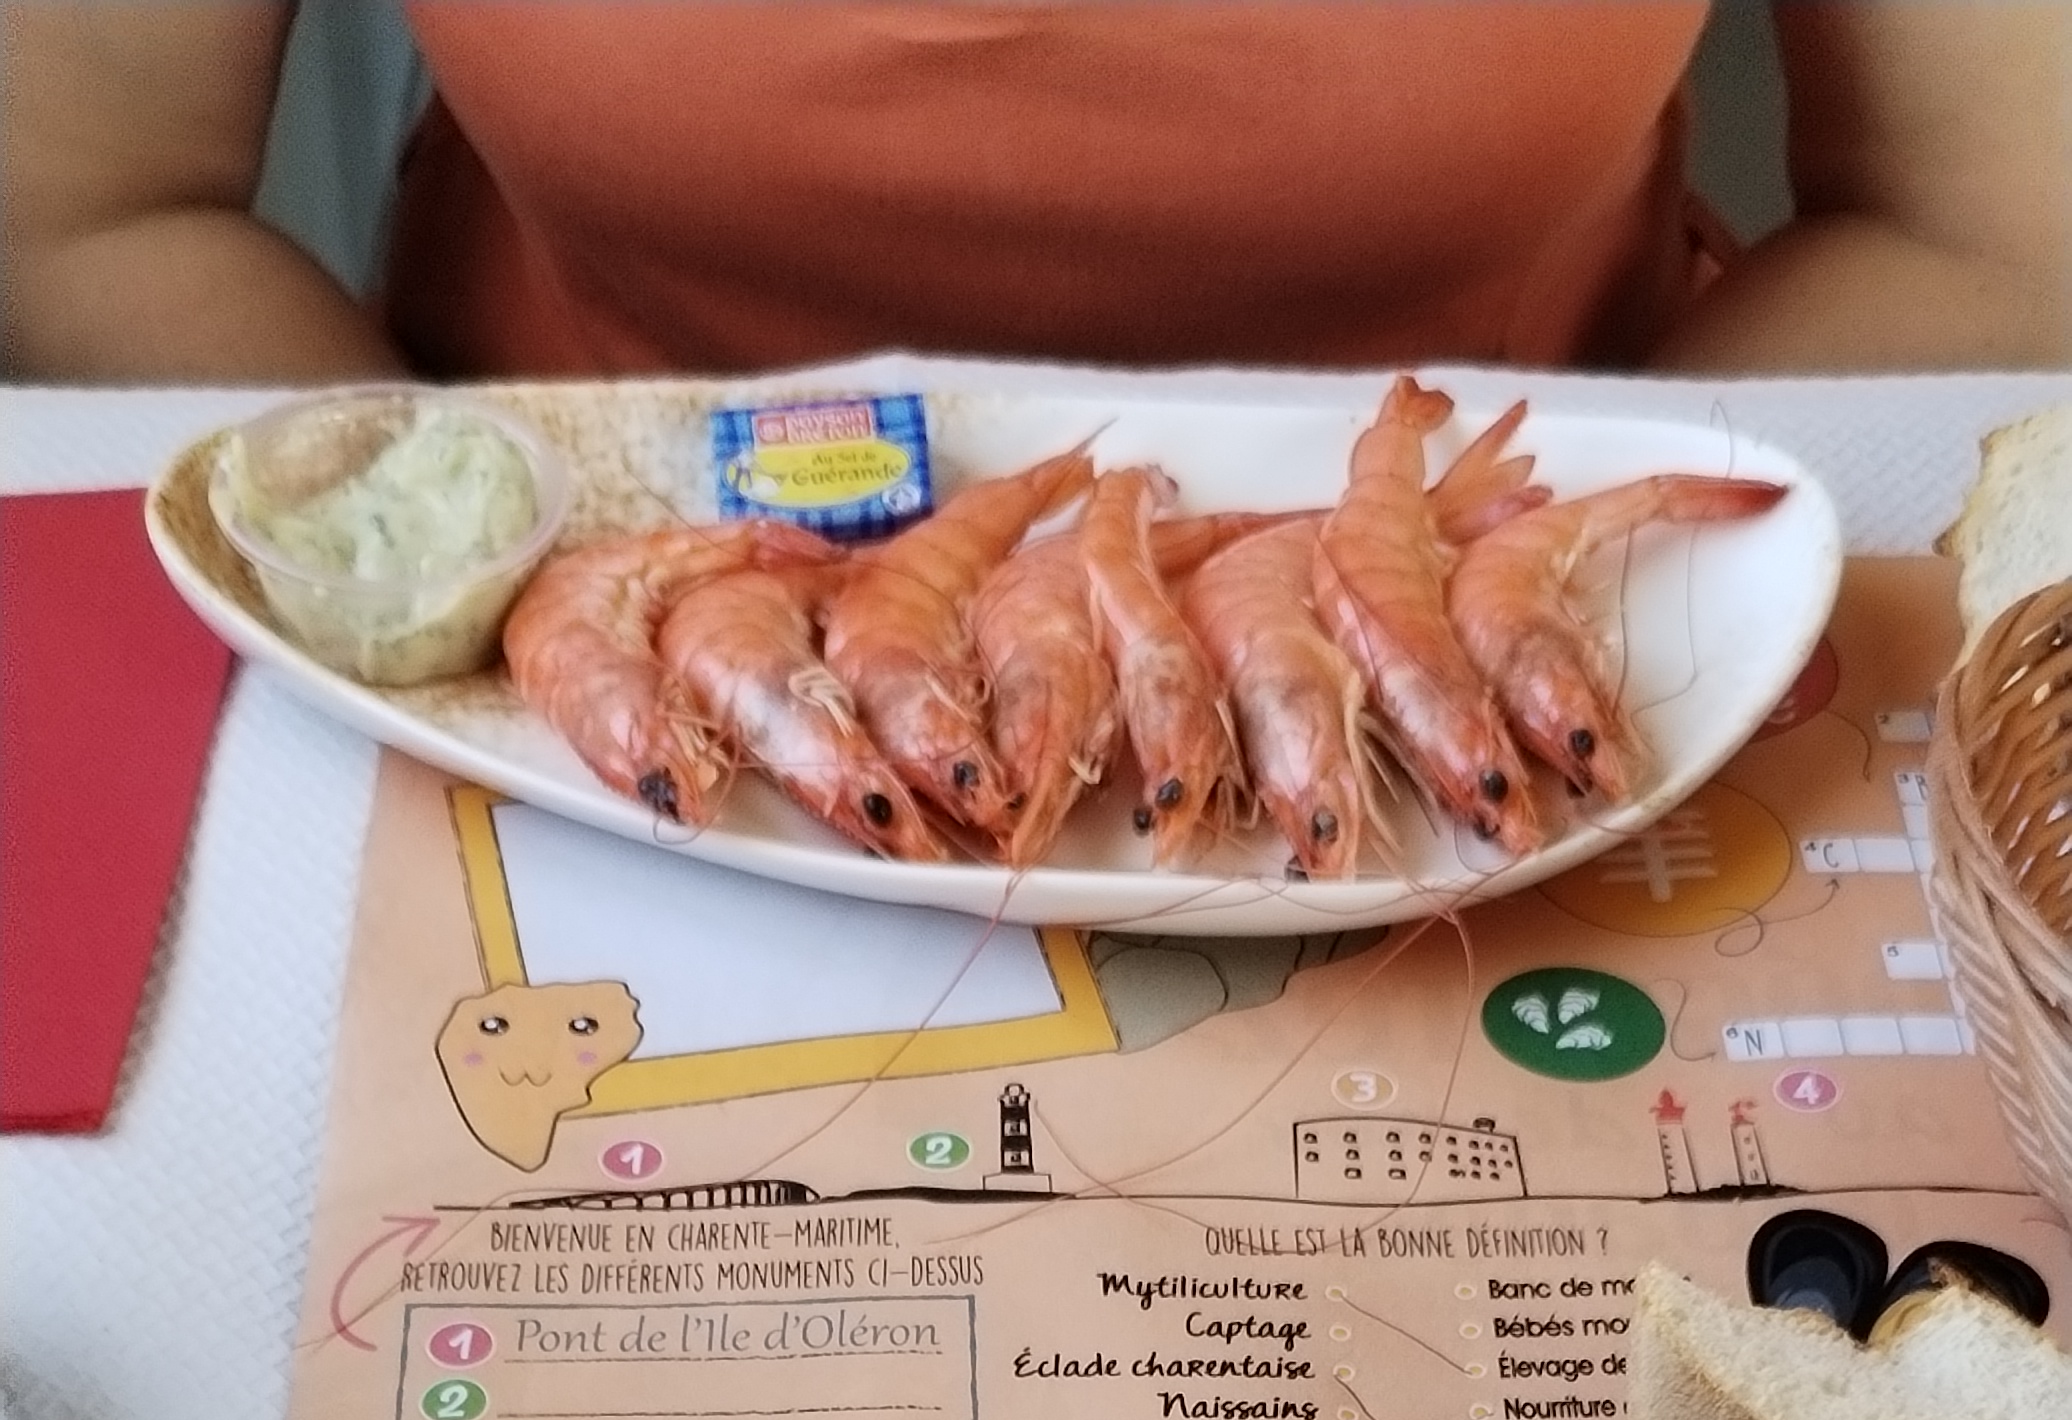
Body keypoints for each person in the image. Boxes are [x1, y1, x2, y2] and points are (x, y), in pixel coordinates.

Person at [5, 0, 2066, 388]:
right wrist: (477, 612)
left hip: (1554, 593)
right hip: (548, 615)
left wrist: (1554, 593)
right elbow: (77, 205)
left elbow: (1994, 229)